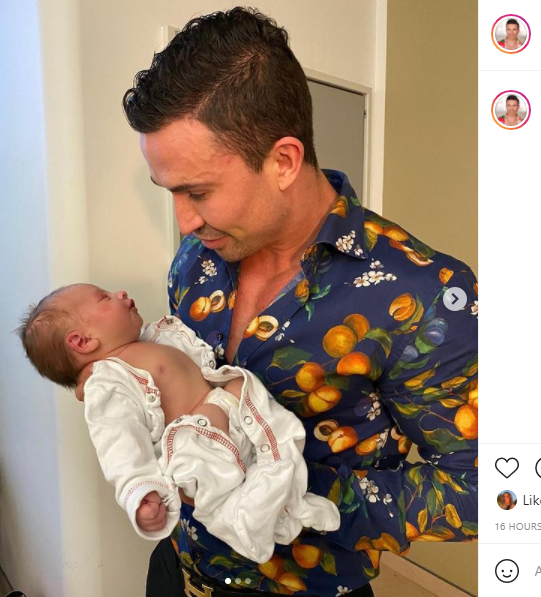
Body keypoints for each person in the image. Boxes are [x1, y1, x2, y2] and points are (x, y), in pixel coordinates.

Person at [123, 7, 478, 597]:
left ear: (283, 161)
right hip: (177, 568)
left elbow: (484, 487)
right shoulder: (197, 260)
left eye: (198, 192)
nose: (184, 222)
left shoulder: (424, 295)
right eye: (171, 192)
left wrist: (295, 492)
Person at [17, 284, 340, 563]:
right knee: (227, 491)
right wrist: (138, 490)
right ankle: (250, 520)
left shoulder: (147, 342)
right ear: (82, 342)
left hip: (228, 416)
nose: (120, 293)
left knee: (247, 395)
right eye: (104, 297)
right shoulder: (108, 382)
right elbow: (118, 443)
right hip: (198, 450)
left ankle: (288, 499)